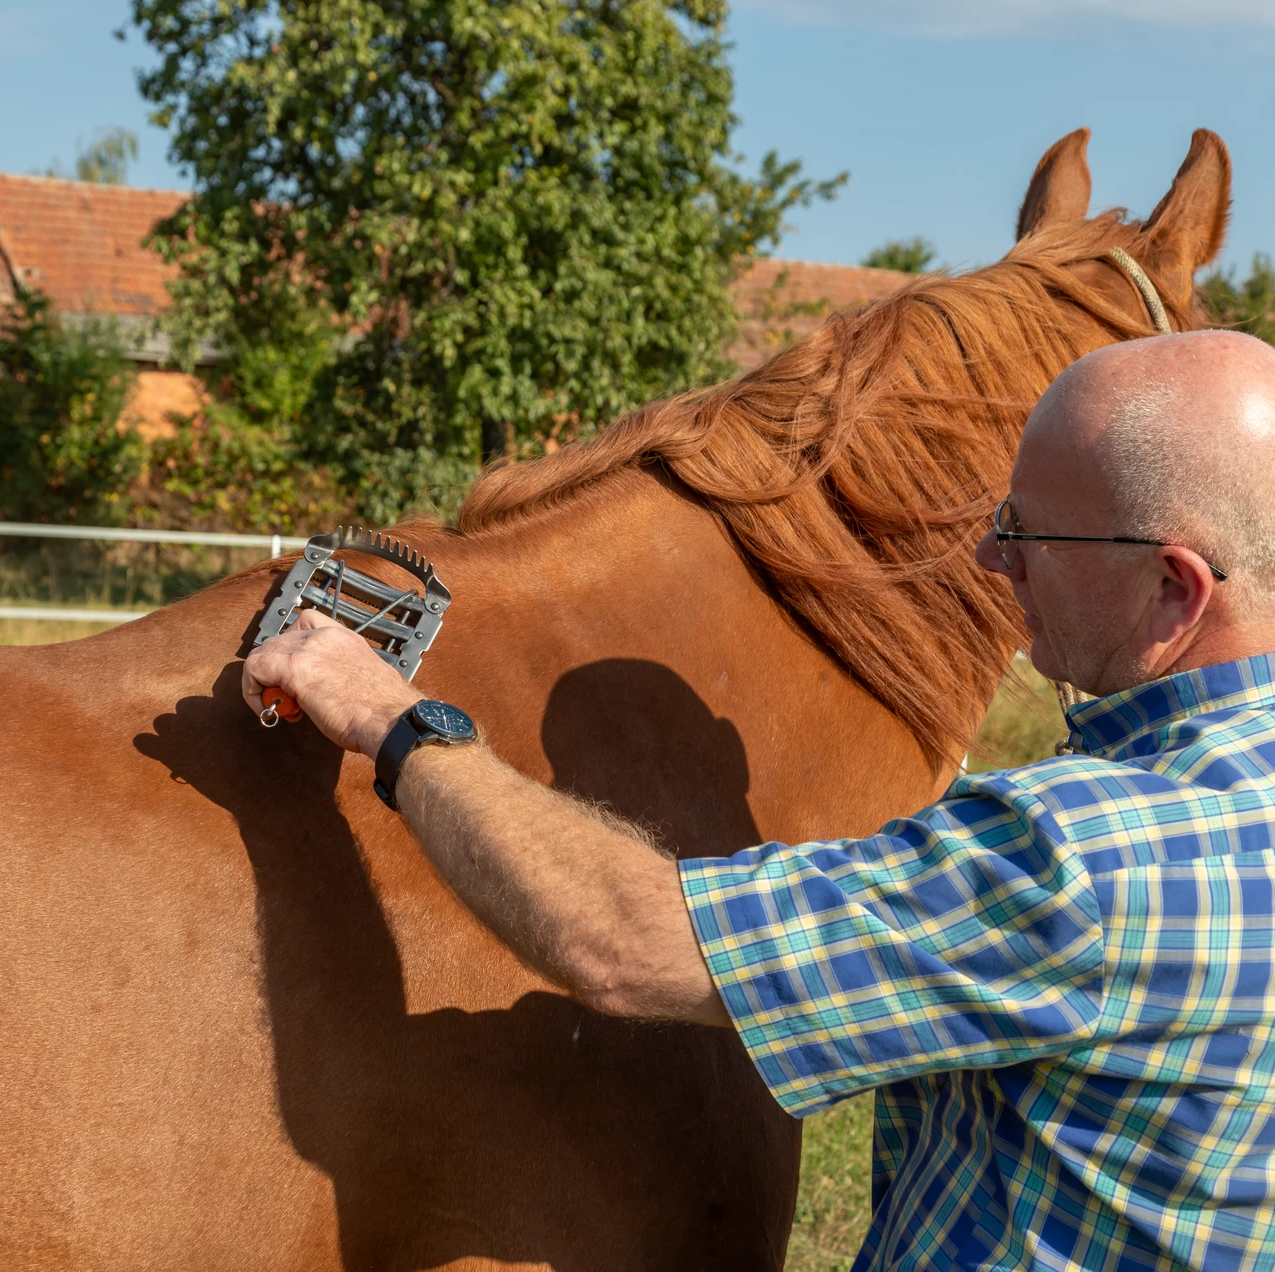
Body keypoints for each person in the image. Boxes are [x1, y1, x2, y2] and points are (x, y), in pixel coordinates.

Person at [244, 329, 1275, 1271]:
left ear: (1171, 592)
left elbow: (622, 939)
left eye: (1029, 534)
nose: (988, 557)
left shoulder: (1092, 858)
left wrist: (390, 716)